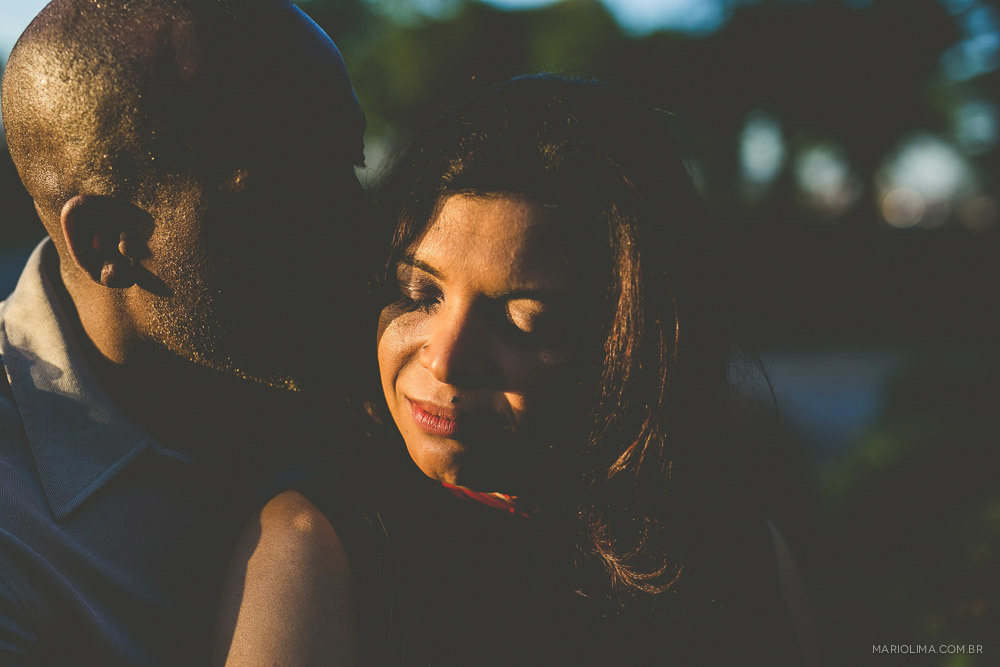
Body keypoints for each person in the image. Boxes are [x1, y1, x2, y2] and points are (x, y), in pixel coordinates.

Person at [221, 74, 816, 666]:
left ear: (633, 345)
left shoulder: (742, 553)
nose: (446, 359)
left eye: (523, 321)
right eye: (418, 292)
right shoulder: (313, 548)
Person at [0, 0, 369, 663]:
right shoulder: (16, 535)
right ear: (109, 242)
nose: (359, 230)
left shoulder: (379, 375)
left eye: (351, 165)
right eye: (288, 195)